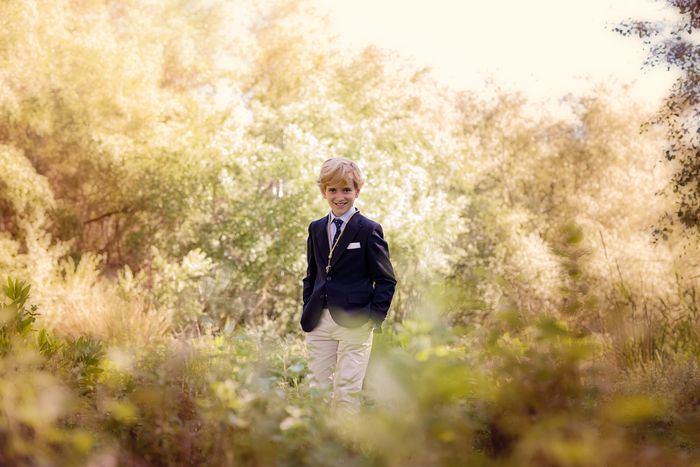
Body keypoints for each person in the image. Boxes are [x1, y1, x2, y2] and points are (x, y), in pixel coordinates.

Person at [301, 157, 397, 413]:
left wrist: (372, 320)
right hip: (318, 322)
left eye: (346, 189)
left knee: (346, 393)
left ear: (357, 191)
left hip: (356, 323)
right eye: (333, 190)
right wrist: (307, 307)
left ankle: (344, 450)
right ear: (324, 191)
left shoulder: (368, 230)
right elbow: (312, 275)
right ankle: (315, 449)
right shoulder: (316, 228)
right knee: (315, 391)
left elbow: (386, 279)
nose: (339, 196)